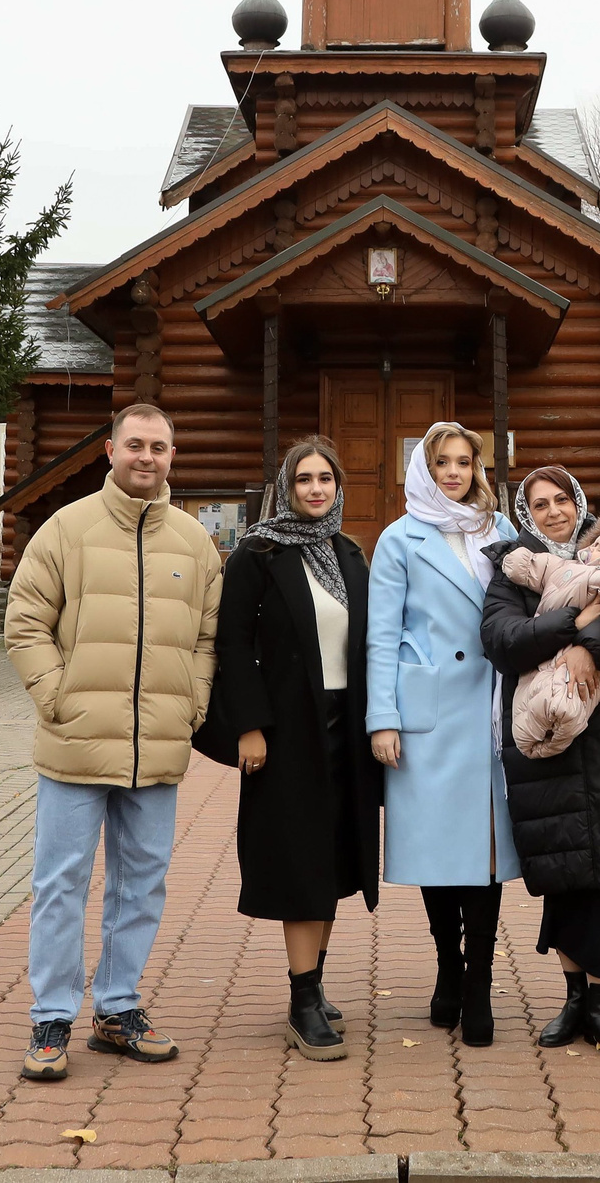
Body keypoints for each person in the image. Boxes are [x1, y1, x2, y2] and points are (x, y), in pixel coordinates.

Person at [2, 403, 221, 1084]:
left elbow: (208, 639)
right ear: (110, 449)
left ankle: (118, 1007)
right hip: (74, 747)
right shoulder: (66, 530)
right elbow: (26, 622)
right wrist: (57, 698)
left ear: (172, 454)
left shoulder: (195, 543)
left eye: (159, 445)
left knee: (141, 884)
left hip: (156, 747)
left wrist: (193, 703)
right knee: (61, 883)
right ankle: (52, 1014)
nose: (146, 456)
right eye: (135, 444)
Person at [481, 466, 600, 1064]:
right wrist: (574, 630)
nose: (553, 511)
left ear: (579, 502)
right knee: (563, 867)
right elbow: (502, 639)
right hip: (546, 742)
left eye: (562, 499)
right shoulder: (516, 567)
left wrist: (586, 649)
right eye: (539, 504)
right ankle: (571, 1001)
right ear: (525, 514)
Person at [211, 437, 379, 1063]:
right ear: (286, 486)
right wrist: (248, 727)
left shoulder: (349, 554)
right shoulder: (258, 554)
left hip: (346, 726)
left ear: (339, 488)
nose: (315, 489)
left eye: (325, 480)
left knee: (334, 858)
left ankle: (313, 982)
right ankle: (302, 998)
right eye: (304, 478)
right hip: (286, 731)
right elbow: (232, 644)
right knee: (299, 861)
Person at [365, 421, 520, 1046]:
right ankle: (447, 969)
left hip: (489, 707)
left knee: (483, 855)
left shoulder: (501, 531)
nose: (454, 473)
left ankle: (477, 983)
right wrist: (383, 718)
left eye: (464, 462)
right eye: (442, 463)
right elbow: (381, 633)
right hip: (428, 713)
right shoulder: (399, 538)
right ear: (424, 470)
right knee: (439, 853)